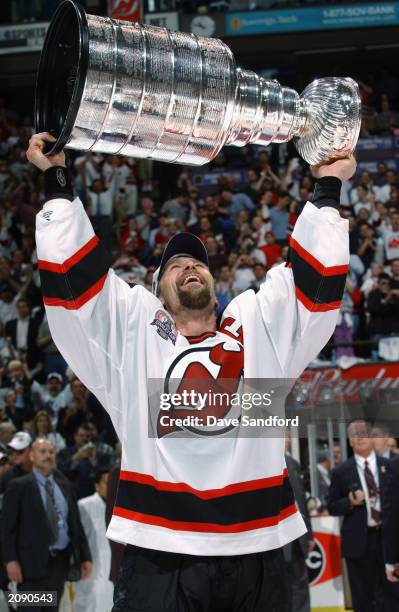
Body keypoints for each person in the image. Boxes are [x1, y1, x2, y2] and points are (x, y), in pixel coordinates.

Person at [29, 131, 354, 611]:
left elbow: (315, 289)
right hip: (161, 554)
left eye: (197, 263)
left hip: (258, 549)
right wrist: (57, 180)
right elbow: (75, 291)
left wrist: (326, 187)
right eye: (175, 265)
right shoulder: (134, 337)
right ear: (158, 290)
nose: (189, 268)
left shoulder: (256, 329)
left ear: (216, 287)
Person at [1, 438, 92, 611]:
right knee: (29, 609)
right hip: (28, 567)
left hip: (59, 564)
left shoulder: (65, 486)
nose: (48, 455)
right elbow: (7, 529)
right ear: (32, 456)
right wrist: (10, 560)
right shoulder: (18, 486)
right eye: (42, 451)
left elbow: (75, 525)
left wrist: (85, 557)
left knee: (51, 609)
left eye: (51, 452)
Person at [327, 419, 399, 612]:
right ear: (350, 441)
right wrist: (349, 502)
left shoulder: (391, 466)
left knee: (392, 594)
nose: (360, 437)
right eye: (354, 434)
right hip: (358, 543)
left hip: (388, 541)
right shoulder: (340, 472)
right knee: (362, 597)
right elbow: (331, 506)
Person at [73, 468, 114, 612]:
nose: (112, 487)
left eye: (115, 483)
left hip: (113, 571)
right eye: (107, 483)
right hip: (91, 568)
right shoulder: (84, 506)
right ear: (97, 485)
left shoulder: (122, 509)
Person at [283, 436, 315, 612]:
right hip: (276, 541)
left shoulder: (293, 464)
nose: (286, 440)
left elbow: (302, 500)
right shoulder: (259, 465)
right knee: (279, 588)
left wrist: (309, 534)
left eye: (287, 436)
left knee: (300, 585)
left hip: (298, 539)